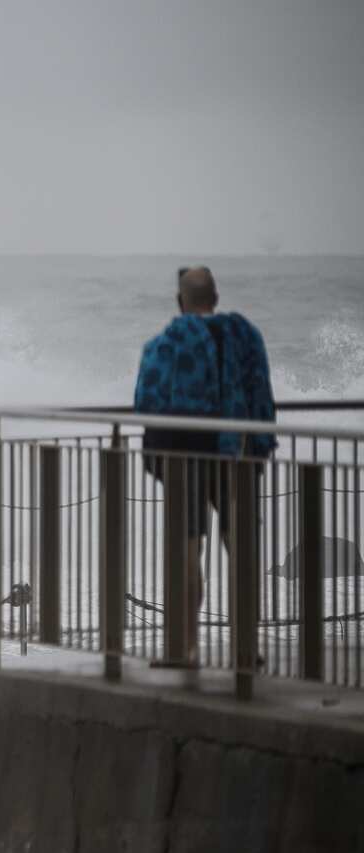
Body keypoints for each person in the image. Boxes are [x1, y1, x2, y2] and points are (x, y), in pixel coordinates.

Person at [134, 266, 276, 665]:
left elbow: (147, 402)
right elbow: (262, 397)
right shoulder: (246, 337)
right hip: (238, 453)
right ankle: (246, 649)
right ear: (215, 298)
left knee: (187, 549)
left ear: (181, 302)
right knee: (241, 548)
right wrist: (259, 449)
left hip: (184, 457)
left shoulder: (166, 343)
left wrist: (156, 460)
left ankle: (185, 648)